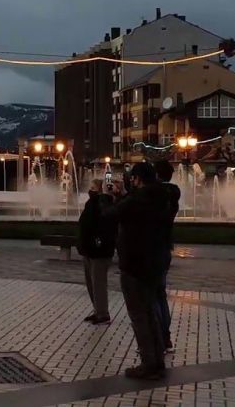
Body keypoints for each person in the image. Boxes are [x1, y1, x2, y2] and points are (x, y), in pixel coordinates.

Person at [106, 161, 169, 380]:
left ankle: (148, 364)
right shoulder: (161, 198)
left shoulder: (137, 200)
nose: (130, 181)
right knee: (150, 312)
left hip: (134, 264)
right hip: (155, 262)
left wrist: (109, 196)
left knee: (139, 316)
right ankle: (157, 361)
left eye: (132, 178)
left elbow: (110, 215)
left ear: (138, 179)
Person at [77, 179, 116, 325]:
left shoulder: (104, 203)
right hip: (88, 249)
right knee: (91, 282)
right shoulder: (92, 202)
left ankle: (103, 314)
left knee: (99, 283)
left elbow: (104, 225)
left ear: (100, 190)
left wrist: (97, 241)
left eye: (93, 188)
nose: (90, 190)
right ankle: (97, 310)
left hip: (99, 250)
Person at [154, 160, 181, 353]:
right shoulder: (173, 195)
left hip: (152, 249)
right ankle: (165, 338)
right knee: (160, 294)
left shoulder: (155, 196)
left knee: (152, 296)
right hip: (164, 248)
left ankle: (158, 339)